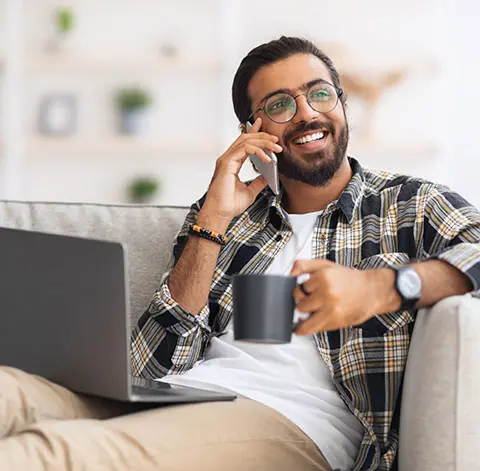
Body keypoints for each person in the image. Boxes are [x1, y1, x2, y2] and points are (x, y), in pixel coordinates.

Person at [0, 36, 479, 471]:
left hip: (295, 423)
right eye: (280, 105)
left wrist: (384, 286)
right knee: (9, 391)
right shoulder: (229, 218)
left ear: (342, 104)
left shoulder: (409, 205)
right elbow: (151, 367)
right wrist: (212, 219)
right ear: (253, 131)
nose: (308, 114)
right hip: (177, 399)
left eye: (319, 93)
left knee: (54, 453)